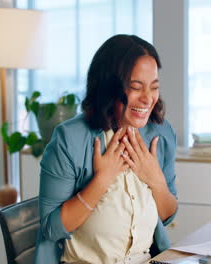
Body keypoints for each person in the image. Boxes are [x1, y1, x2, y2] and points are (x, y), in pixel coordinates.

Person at [34, 34, 178, 264]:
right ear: (109, 87)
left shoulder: (161, 134)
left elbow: (168, 214)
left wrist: (155, 180)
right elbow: (51, 229)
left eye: (154, 87)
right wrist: (103, 179)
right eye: (135, 87)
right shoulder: (69, 139)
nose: (148, 99)